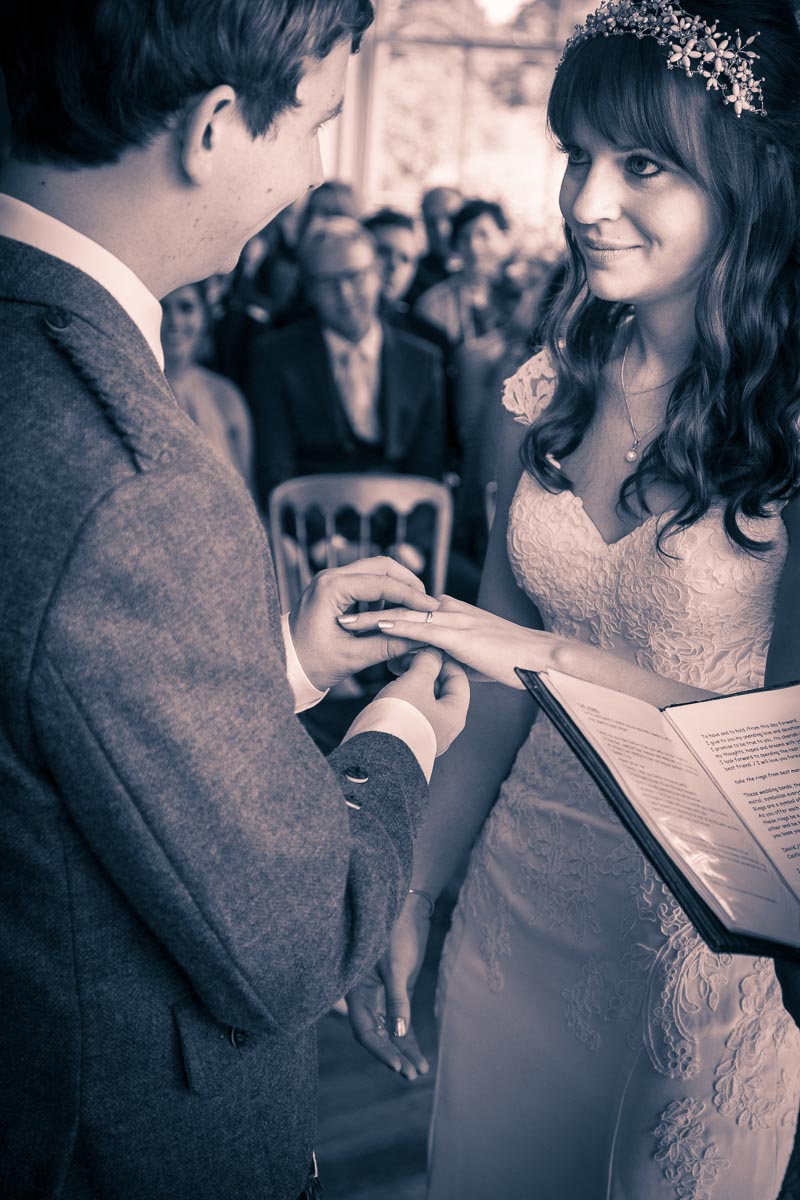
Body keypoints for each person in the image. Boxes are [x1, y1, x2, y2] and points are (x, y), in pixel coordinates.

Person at [0, 4, 471, 1198]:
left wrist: (282, 663)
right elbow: (297, 938)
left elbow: (60, 722)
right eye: (315, 123)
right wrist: (401, 731)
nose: (313, 168)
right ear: (213, 127)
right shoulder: (135, 478)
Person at [342, 2, 800, 1197]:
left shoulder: (789, 429)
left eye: (640, 165)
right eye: (576, 157)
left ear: (742, 184)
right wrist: (419, 891)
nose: (585, 201)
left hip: (692, 956)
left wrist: (536, 652)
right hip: (515, 905)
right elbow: (492, 708)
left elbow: (780, 752)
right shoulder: (541, 394)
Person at [247, 216, 447, 504]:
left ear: (378, 273)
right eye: (327, 282)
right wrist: (318, 543)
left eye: (355, 276)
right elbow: (276, 471)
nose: (345, 294)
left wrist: (412, 546)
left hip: (398, 527)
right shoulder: (275, 358)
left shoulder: (423, 360)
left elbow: (428, 471)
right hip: (313, 527)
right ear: (309, 289)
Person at [162, 280, 256, 492]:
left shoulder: (226, 395)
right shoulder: (134, 391)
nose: (174, 321)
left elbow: (250, 492)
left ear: (204, 316)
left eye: (186, 308)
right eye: (163, 308)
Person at [405, 184, 463, 307]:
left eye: (451, 218)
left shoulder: (489, 275)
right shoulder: (410, 275)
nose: (441, 230)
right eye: (431, 222)